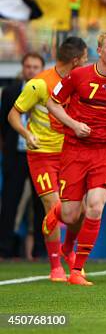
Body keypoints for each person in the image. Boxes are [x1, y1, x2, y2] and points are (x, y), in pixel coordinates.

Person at [42, 31, 106, 286]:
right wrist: (73, 124)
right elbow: (52, 103)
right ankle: (58, 212)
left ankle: (77, 270)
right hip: (75, 149)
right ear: (99, 50)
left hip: (105, 152)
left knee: (95, 205)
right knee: (72, 215)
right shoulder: (79, 75)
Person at [6, 39, 86, 278]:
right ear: (75, 60)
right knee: (53, 206)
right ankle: (56, 266)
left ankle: (67, 248)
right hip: (42, 154)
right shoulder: (39, 84)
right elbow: (13, 114)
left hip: (70, 154)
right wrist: (26, 133)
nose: (86, 62)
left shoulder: (80, 82)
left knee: (79, 211)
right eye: (84, 58)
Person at [0, 53, 46, 259]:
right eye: (28, 66)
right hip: (16, 155)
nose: (31, 70)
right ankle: (4, 251)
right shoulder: (9, 92)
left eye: (36, 66)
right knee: (10, 202)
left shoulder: (49, 91)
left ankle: (40, 251)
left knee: (41, 204)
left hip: (40, 153)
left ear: (42, 69)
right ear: (22, 67)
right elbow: (3, 123)